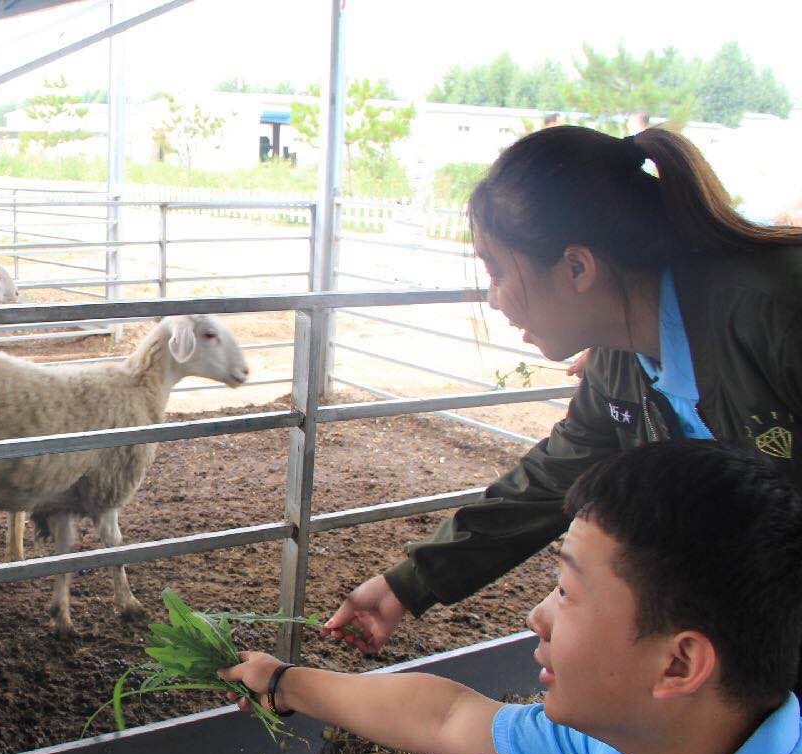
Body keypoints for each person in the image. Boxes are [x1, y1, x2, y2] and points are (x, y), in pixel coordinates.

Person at [222, 442, 802, 754]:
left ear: (679, 664)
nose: (535, 615)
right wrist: (283, 683)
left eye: (567, 592)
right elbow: (445, 716)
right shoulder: (635, 751)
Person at [326, 124, 802, 657]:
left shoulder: (777, 316)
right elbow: (552, 478)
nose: (494, 300)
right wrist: (406, 583)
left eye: (498, 272)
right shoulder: (623, 359)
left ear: (577, 266)